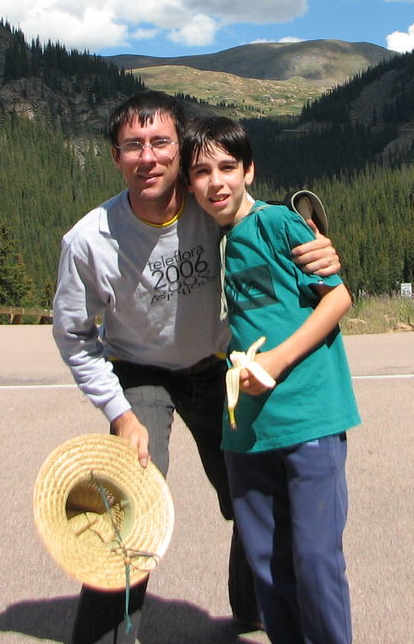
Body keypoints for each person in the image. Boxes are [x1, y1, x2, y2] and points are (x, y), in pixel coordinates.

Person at [52, 91, 340, 644]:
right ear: (115, 157)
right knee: (132, 496)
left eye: (161, 142)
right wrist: (119, 412)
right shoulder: (89, 241)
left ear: (179, 153)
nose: (148, 157)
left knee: (249, 487)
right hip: (139, 371)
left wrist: (313, 233)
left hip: (214, 363)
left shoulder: (206, 206)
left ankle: (255, 603)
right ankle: (101, 634)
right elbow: (74, 336)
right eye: (133, 146)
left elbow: (262, 212)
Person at [182, 116, 360, 644]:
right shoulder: (204, 244)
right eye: (201, 172)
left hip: (309, 416)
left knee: (314, 559)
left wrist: (277, 361)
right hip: (245, 430)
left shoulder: (280, 223)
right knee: (266, 564)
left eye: (227, 167)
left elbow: (339, 297)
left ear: (249, 171)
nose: (216, 182)